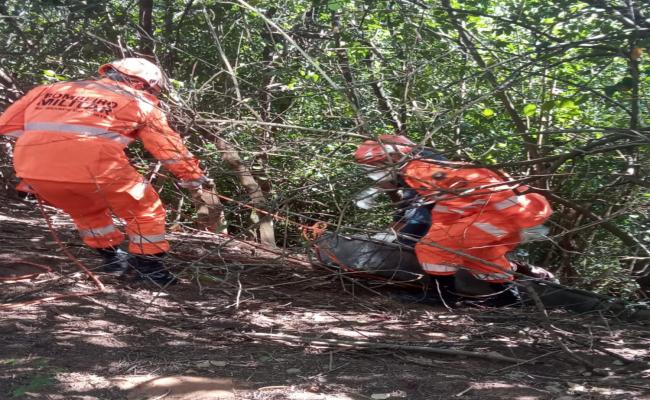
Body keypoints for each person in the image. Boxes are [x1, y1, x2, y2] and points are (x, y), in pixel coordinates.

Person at [0, 58, 211, 285]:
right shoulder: (140, 102)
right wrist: (191, 175)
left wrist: (48, 147)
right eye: (152, 90)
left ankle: (113, 260)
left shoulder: (48, 90)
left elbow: (6, 125)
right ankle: (149, 270)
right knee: (145, 210)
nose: (153, 95)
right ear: (141, 85)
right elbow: (167, 147)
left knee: (86, 211)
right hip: (96, 168)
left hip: (32, 169)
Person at [355, 135, 553, 305]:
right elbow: (446, 201)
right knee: (482, 255)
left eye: (376, 166)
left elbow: (469, 190)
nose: (374, 171)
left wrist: (520, 219)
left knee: (432, 247)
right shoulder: (422, 169)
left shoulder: (421, 170)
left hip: (499, 215)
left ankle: (442, 297)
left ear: (392, 157)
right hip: (505, 216)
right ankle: (508, 298)